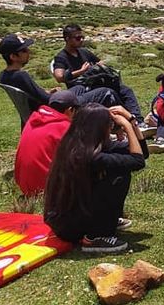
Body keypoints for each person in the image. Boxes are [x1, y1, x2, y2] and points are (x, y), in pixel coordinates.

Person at [43, 103, 148, 254]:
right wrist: (126, 125)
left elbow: (142, 153)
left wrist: (131, 120)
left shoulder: (76, 145)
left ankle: (102, 223)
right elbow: (138, 162)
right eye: (109, 125)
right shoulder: (91, 157)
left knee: (116, 171)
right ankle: (95, 237)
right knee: (119, 176)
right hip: (69, 227)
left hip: (62, 219)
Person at [0, 33, 115, 113]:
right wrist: (54, 95)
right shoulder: (21, 75)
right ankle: (118, 126)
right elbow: (45, 99)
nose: (28, 52)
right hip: (54, 108)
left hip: (44, 106)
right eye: (24, 50)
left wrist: (49, 91)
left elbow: (34, 94)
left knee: (79, 87)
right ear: (13, 56)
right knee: (105, 92)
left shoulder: (4, 75)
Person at [52, 24, 143, 122]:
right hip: (81, 89)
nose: (81, 40)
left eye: (82, 37)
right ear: (67, 39)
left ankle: (137, 119)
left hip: (94, 83)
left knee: (125, 90)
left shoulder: (84, 52)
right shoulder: (61, 57)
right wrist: (80, 72)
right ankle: (127, 120)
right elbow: (59, 77)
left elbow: (99, 62)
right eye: (77, 38)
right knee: (109, 93)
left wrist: (99, 67)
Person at [14, 90, 79, 196]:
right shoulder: (64, 127)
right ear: (70, 110)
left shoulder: (32, 119)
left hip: (24, 186)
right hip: (46, 189)